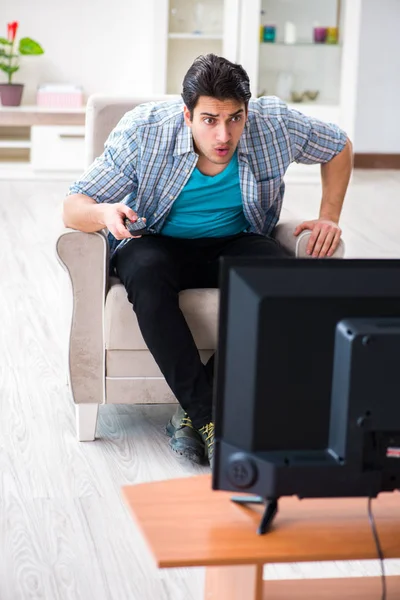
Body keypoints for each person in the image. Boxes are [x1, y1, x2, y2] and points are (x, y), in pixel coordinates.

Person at [63, 54, 353, 469]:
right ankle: (211, 419)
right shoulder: (145, 131)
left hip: (235, 240)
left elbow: (338, 146)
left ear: (248, 111)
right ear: (187, 115)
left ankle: (192, 414)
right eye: (210, 120)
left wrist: (329, 216)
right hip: (156, 240)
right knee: (144, 273)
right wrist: (106, 213)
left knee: (284, 282)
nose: (224, 134)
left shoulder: (274, 124)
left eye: (235, 118)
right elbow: (73, 204)